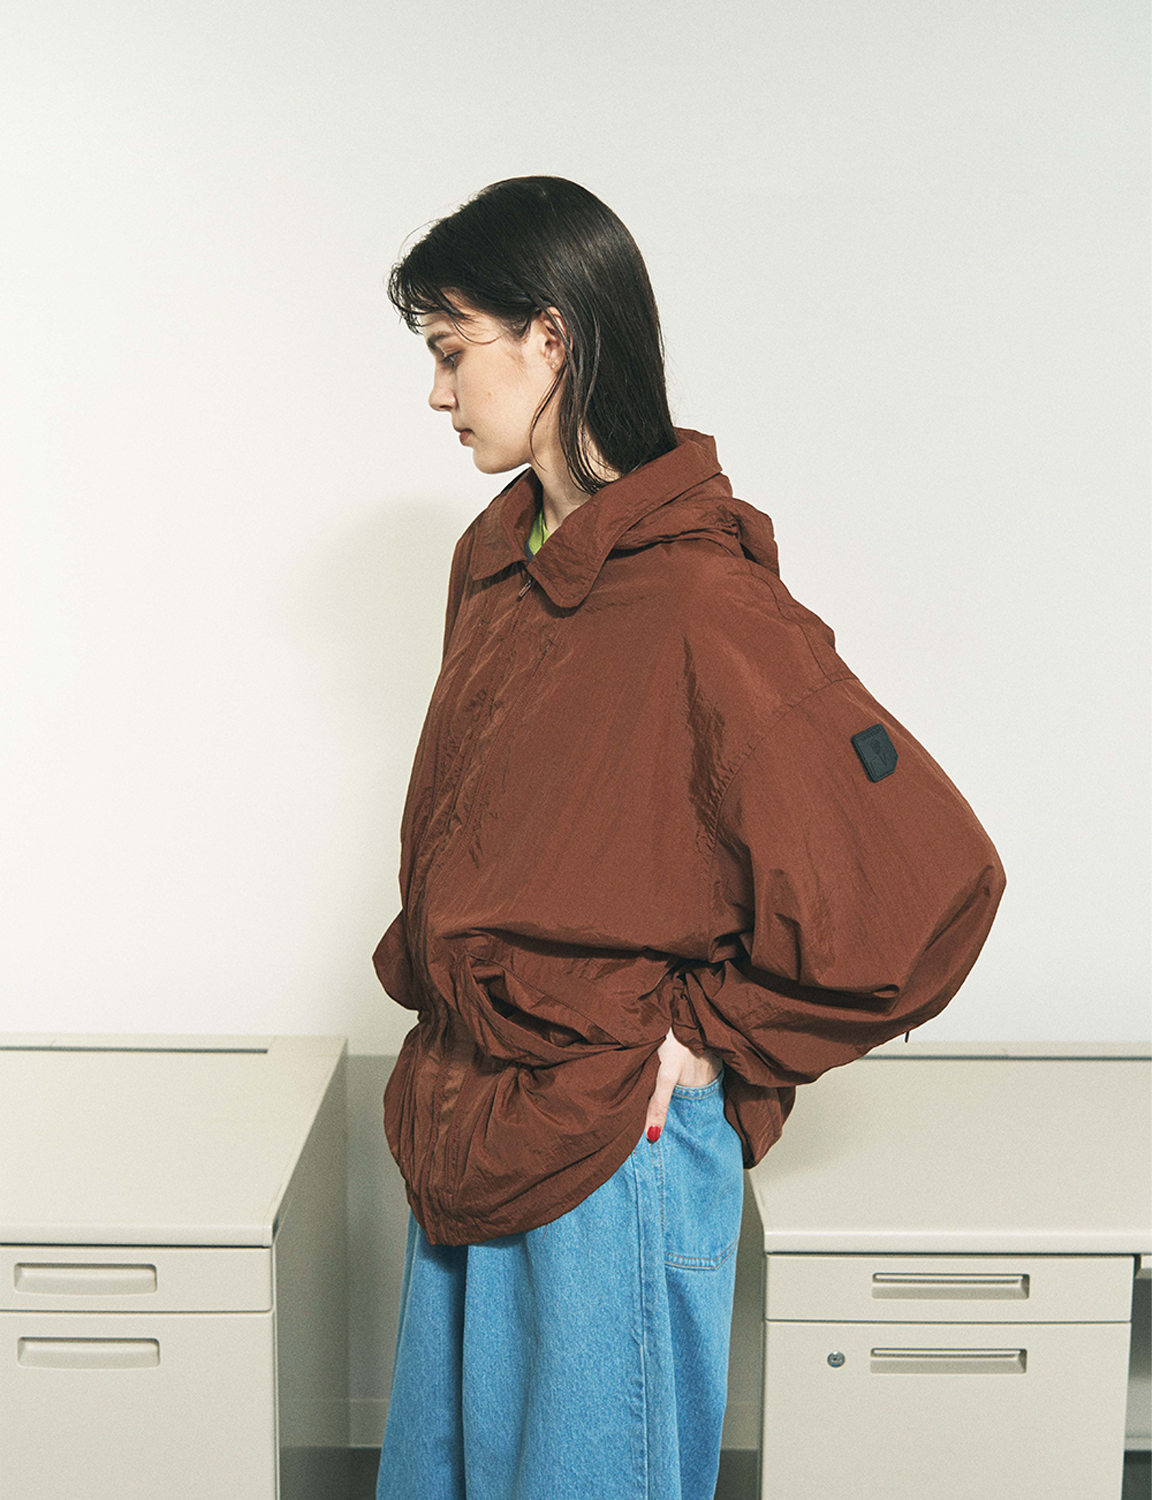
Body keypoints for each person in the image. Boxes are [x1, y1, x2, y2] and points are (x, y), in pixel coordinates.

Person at [373, 176, 1005, 1500]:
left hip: (612, 1151)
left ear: (552, 338)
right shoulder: (497, 563)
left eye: (452, 349)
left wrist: (714, 1034)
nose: (437, 393)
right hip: (470, 1116)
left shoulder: (705, 603)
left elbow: (931, 886)